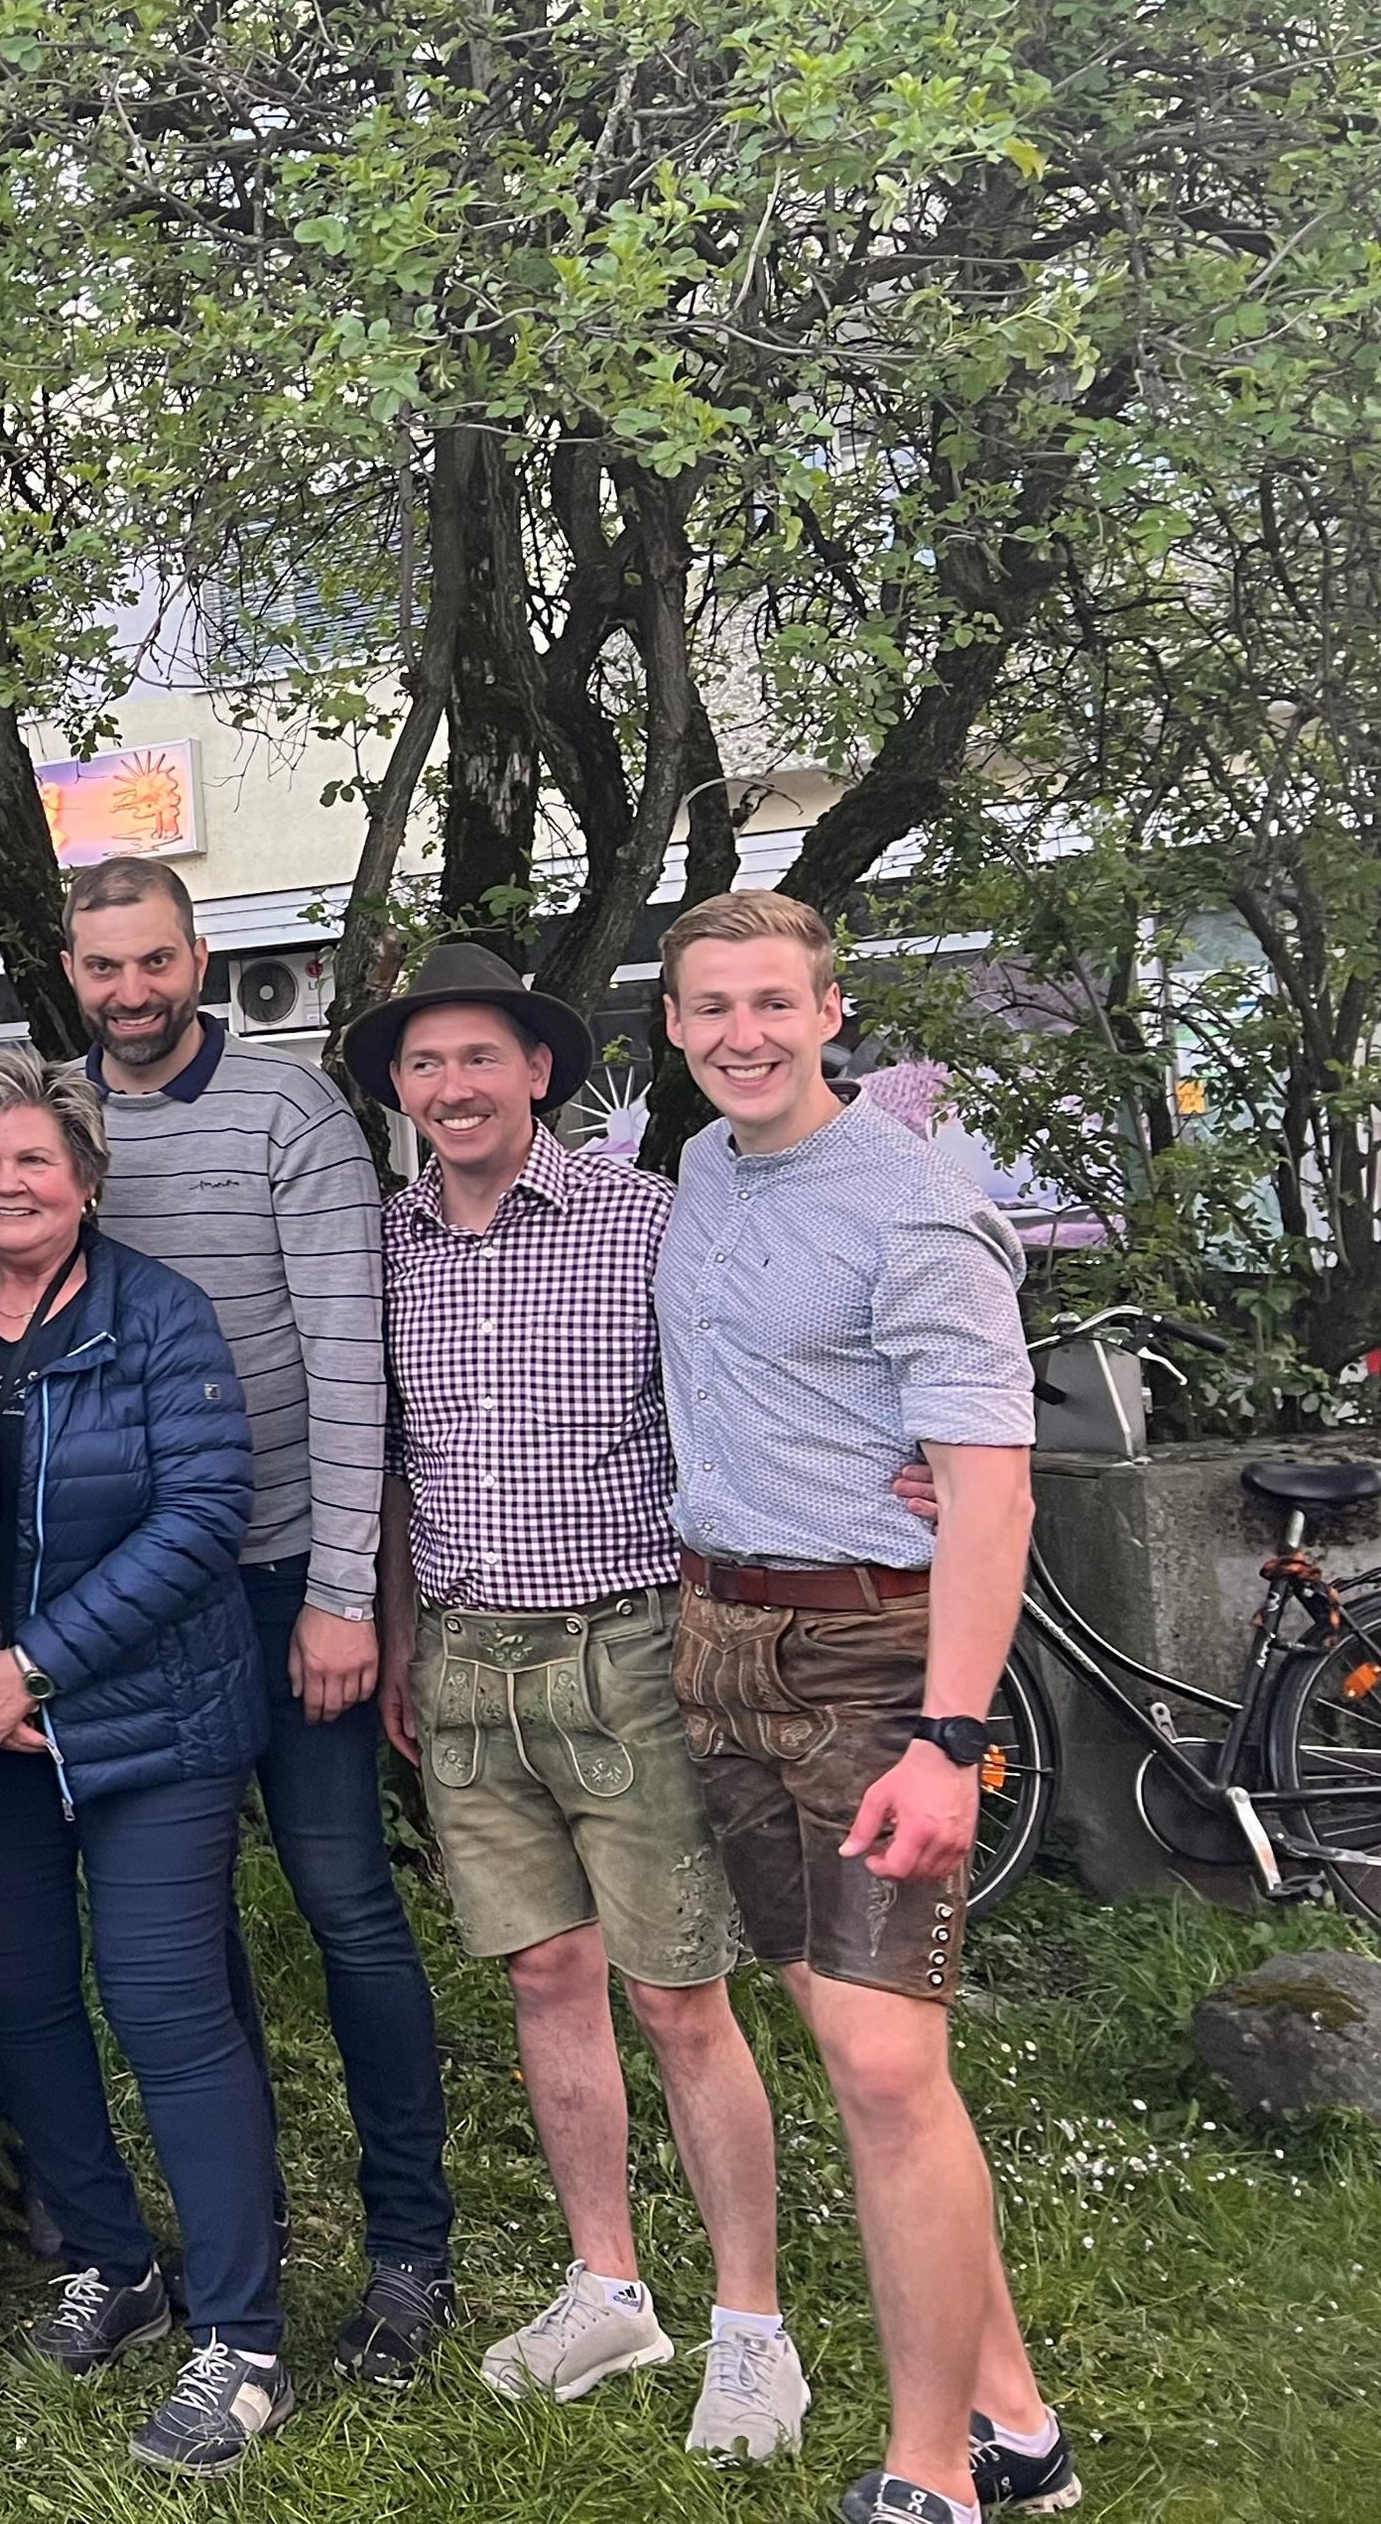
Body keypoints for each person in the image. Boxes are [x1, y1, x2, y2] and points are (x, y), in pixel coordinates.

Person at [349, 943, 807, 2461]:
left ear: (538, 1071)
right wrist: (403, 1643)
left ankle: (752, 2332)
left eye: (479, 1057)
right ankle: (608, 2287)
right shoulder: (387, 1246)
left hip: (629, 1649)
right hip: (466, 1659)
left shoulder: (645, 1220)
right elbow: (394, 1465)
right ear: (400, 1089)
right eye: (425, 1064)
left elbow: (753, 1393)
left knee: (678, 1993)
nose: (453, 1087)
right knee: (547, 1977)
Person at [652, 893, 1071, 2524]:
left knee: (889, 2070)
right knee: (850, 2045)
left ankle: (933, 2475)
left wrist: (953, 1739)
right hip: (721, 1648)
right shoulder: (702, 1170)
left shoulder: (916, 1208)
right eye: (711, 1008)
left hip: (871, 1666)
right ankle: (1016, 2422)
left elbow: (994, 1491)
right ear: (675, 1029)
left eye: (774, 1003)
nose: (742, 1035)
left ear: (833, 1011)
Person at [65, 855, 458, 2375]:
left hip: (287, 1572)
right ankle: (248, 2225)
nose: (132, 992)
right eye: (105, 967)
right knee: (187, 1922)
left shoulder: (290, 1112)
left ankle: (410, 2242)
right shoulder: (61, 1118)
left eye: (154, 961)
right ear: (73, 971)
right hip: (139, 1594)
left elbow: (351, 1361)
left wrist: (348, 1594)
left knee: (344, 1900)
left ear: (198, 956)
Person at [0, 1046, 290, 2472]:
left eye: (35, 1159)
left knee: (165, 2006)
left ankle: (243, 2340)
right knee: (18, 2000)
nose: (8, 1182)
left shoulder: (158, 1315)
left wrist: (37, 1664)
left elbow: (201, 1517)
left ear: (85, 1180)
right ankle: (114, 2264)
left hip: (154, 1722)